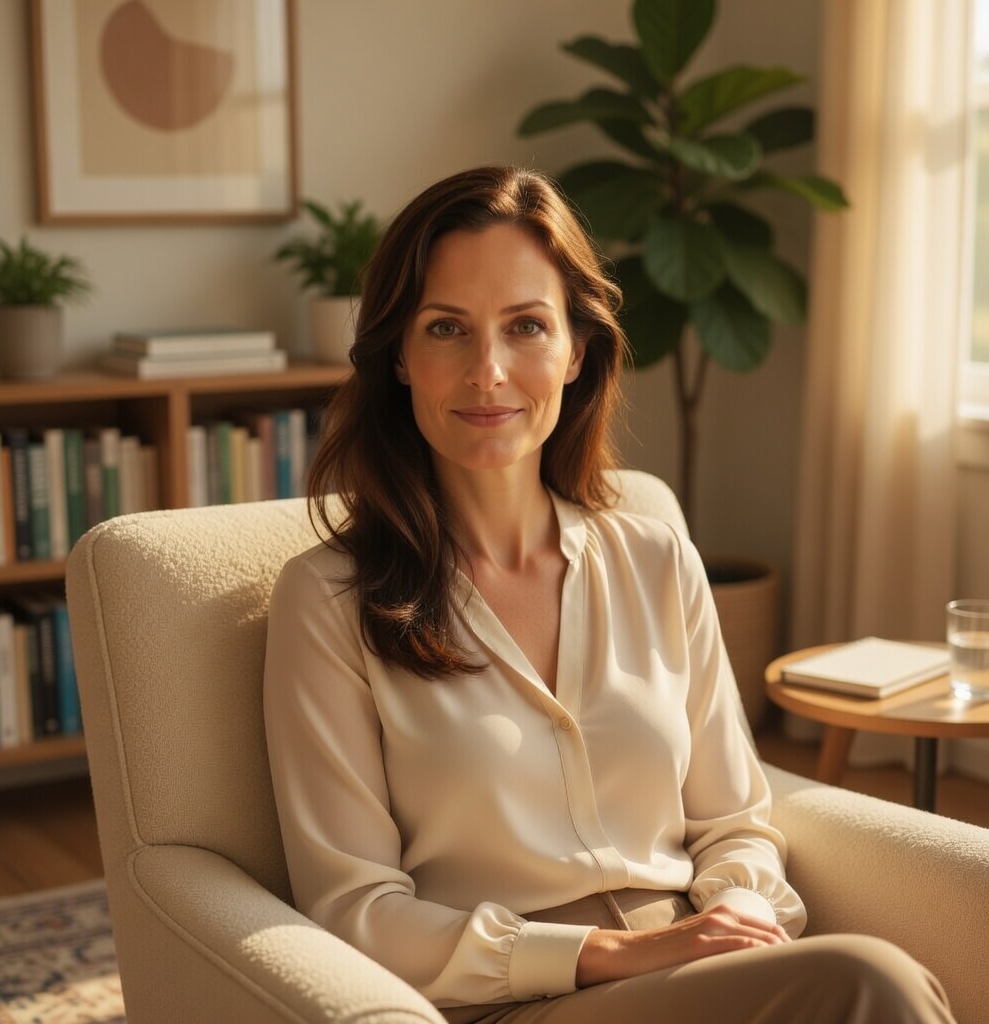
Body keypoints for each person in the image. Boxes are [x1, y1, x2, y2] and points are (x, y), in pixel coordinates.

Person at [262, 165, 954, 1023]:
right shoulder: (330, 602)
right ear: (400, 356)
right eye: (447, 329)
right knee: (870, 982)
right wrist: (615, 954)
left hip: (699, 967)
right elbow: (353, 913)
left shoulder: (656, 557)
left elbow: (735, 819)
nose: (488, 371)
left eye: (525, 327)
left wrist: (736, 908)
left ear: (576, 351)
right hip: (517, 999)